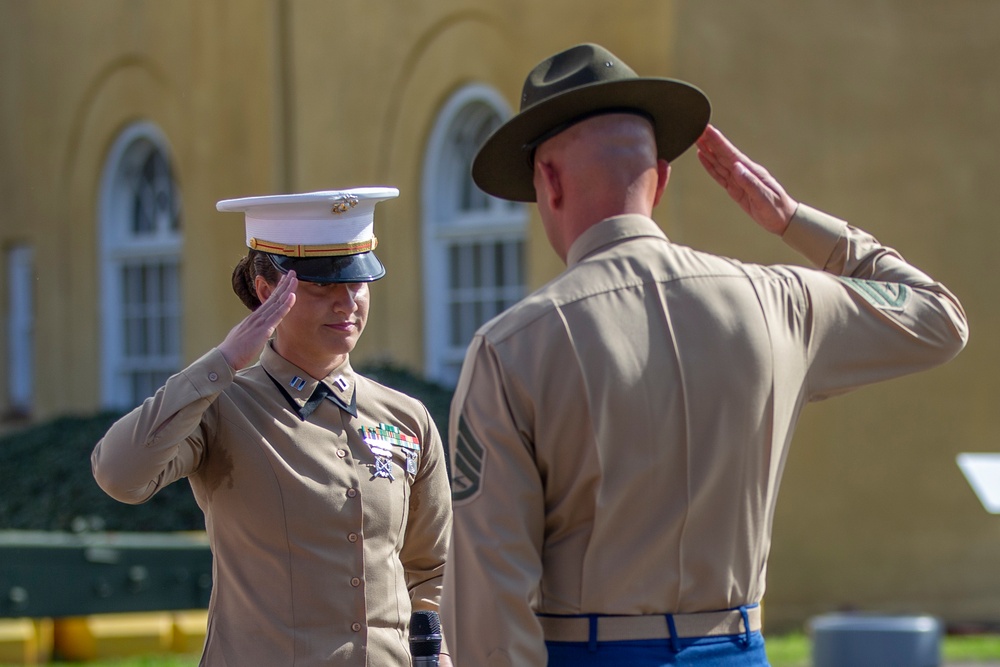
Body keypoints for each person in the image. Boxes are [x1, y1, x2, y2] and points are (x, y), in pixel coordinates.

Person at [439, 43, 968, 666]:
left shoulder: (513, 347)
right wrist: (791, 220)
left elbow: (489, 594)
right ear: (660, 180)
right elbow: (937, 315)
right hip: (739, 648)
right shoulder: (778, 301)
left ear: (548, 182)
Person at [92, 188, 453, 666]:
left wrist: (439, 653)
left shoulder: (407, 417)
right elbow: (119, 474)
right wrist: (221, 363)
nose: (346, 303)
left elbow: (433, 568)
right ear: (267, 292)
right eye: (322, 286)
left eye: (358, 283)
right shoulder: (222, 407)